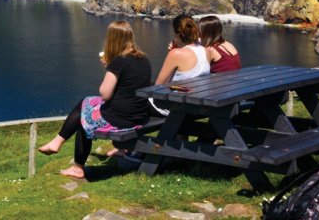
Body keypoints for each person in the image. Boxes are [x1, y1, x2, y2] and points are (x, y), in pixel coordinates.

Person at [38, 20, 152, 179]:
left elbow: (105, 94)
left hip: (121, 119)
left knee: (84, 116)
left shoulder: (119, 61)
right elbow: (127, 87)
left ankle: (74, 163)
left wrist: (109, 67)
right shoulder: (143, 58)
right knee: (86, 104)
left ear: (113, 39)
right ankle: (58, 143)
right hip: (138, 116)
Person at [154, 14, 210, 84]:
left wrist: (173, 51)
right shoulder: (206, 51)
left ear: (177, 33)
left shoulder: (175, 54)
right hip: (202, 93)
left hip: (179, 94)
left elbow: (158, 85)